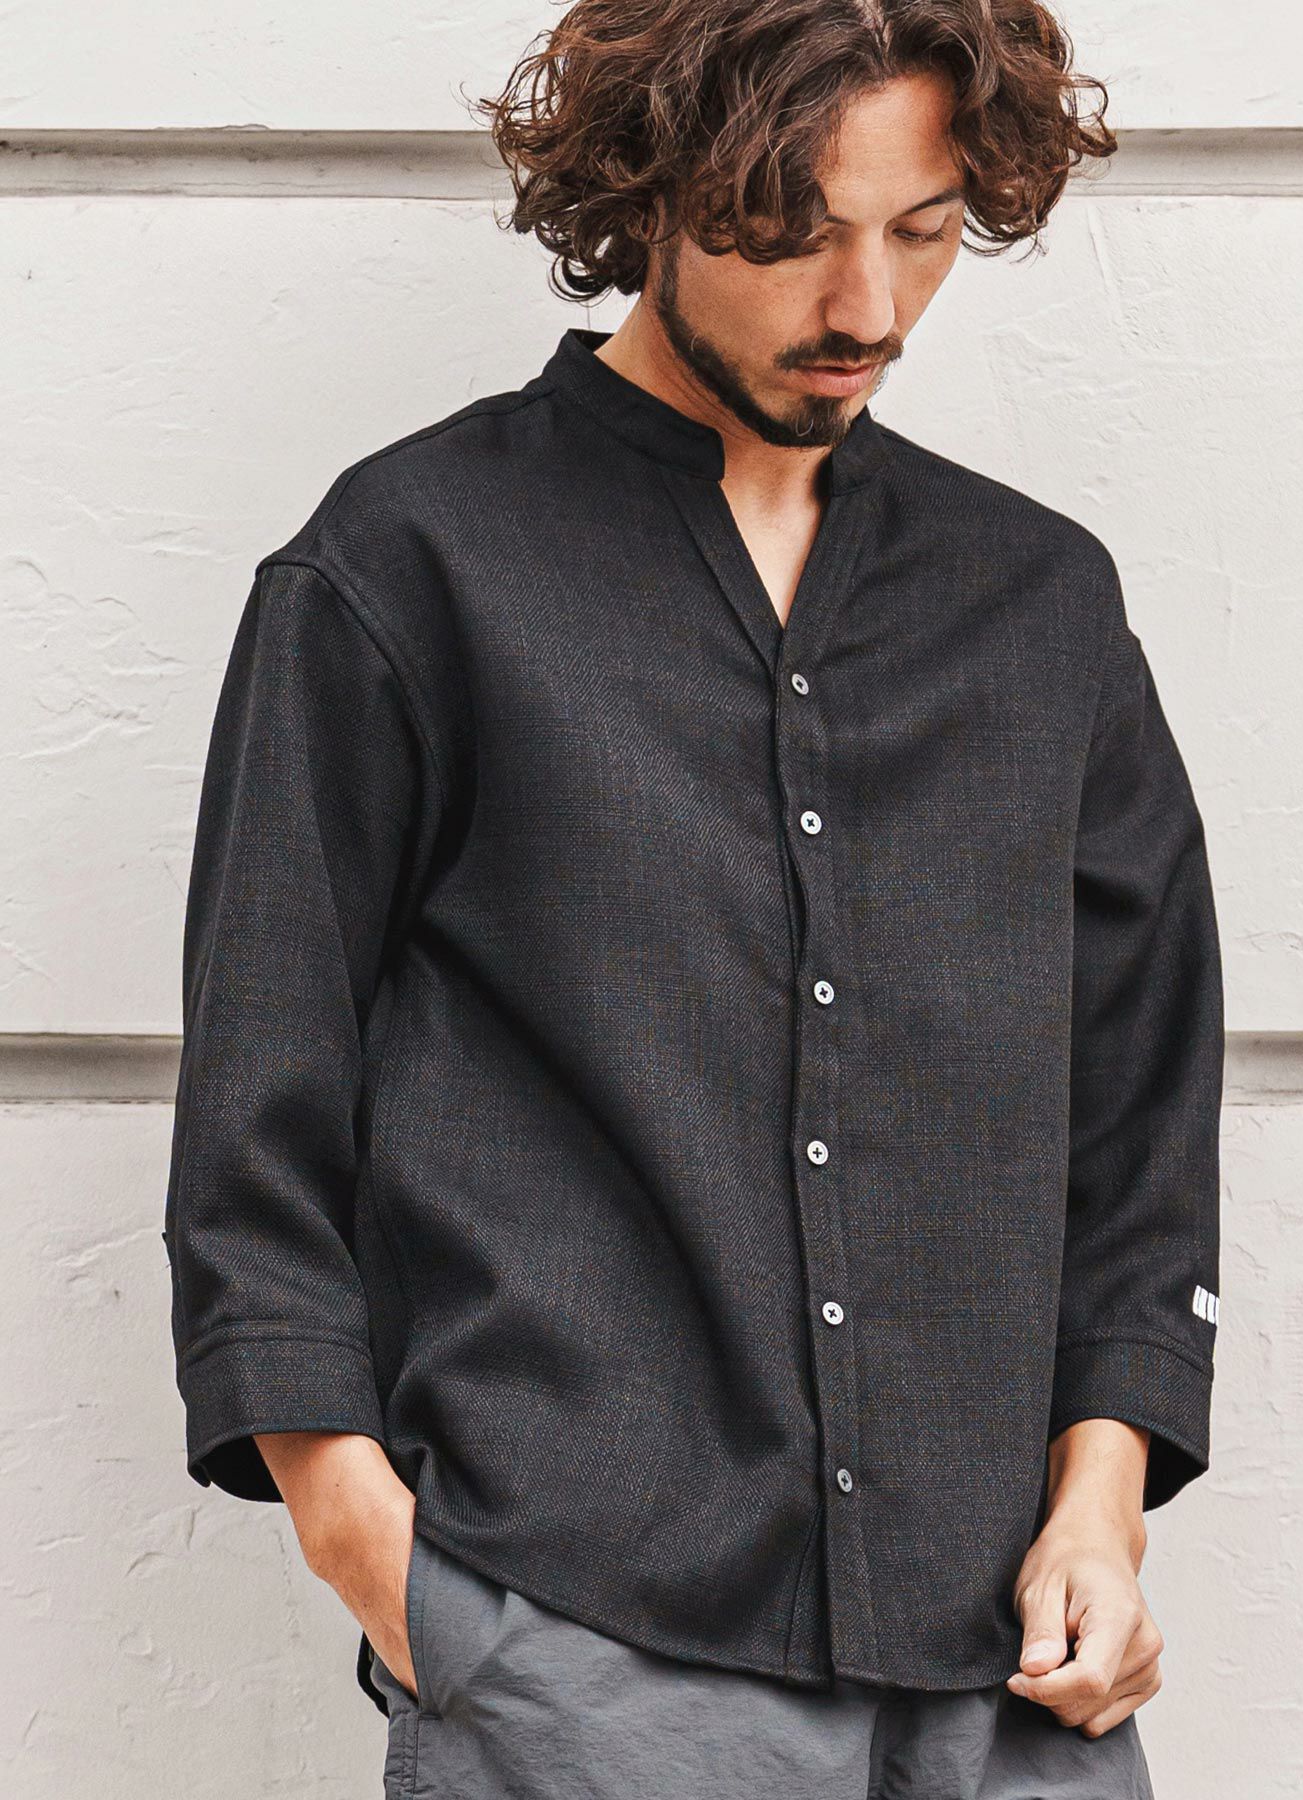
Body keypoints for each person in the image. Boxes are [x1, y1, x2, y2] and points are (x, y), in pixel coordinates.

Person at [161, 2, 1224, 1794]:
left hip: (1009, 1680)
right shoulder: (407, 567)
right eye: (794, 229)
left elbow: (1140, 1119)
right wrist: (385, 1562)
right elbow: (260, 1120)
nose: (867, 305)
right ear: (649, 188)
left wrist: (1102, 1509)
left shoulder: (1040, 607)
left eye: (922, 229)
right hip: (581, 1655)